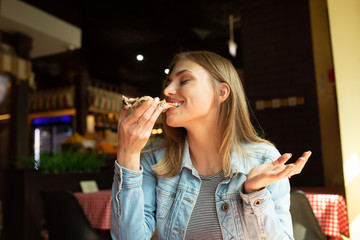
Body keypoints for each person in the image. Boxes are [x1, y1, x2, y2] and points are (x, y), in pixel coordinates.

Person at [111, 50, 311, 240]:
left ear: (221, 92)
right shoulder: (154, 158)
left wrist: (254, 193)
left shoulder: (264, 159)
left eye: (184, 80)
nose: (167, 90)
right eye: (169, 81)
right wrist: (128, 154)